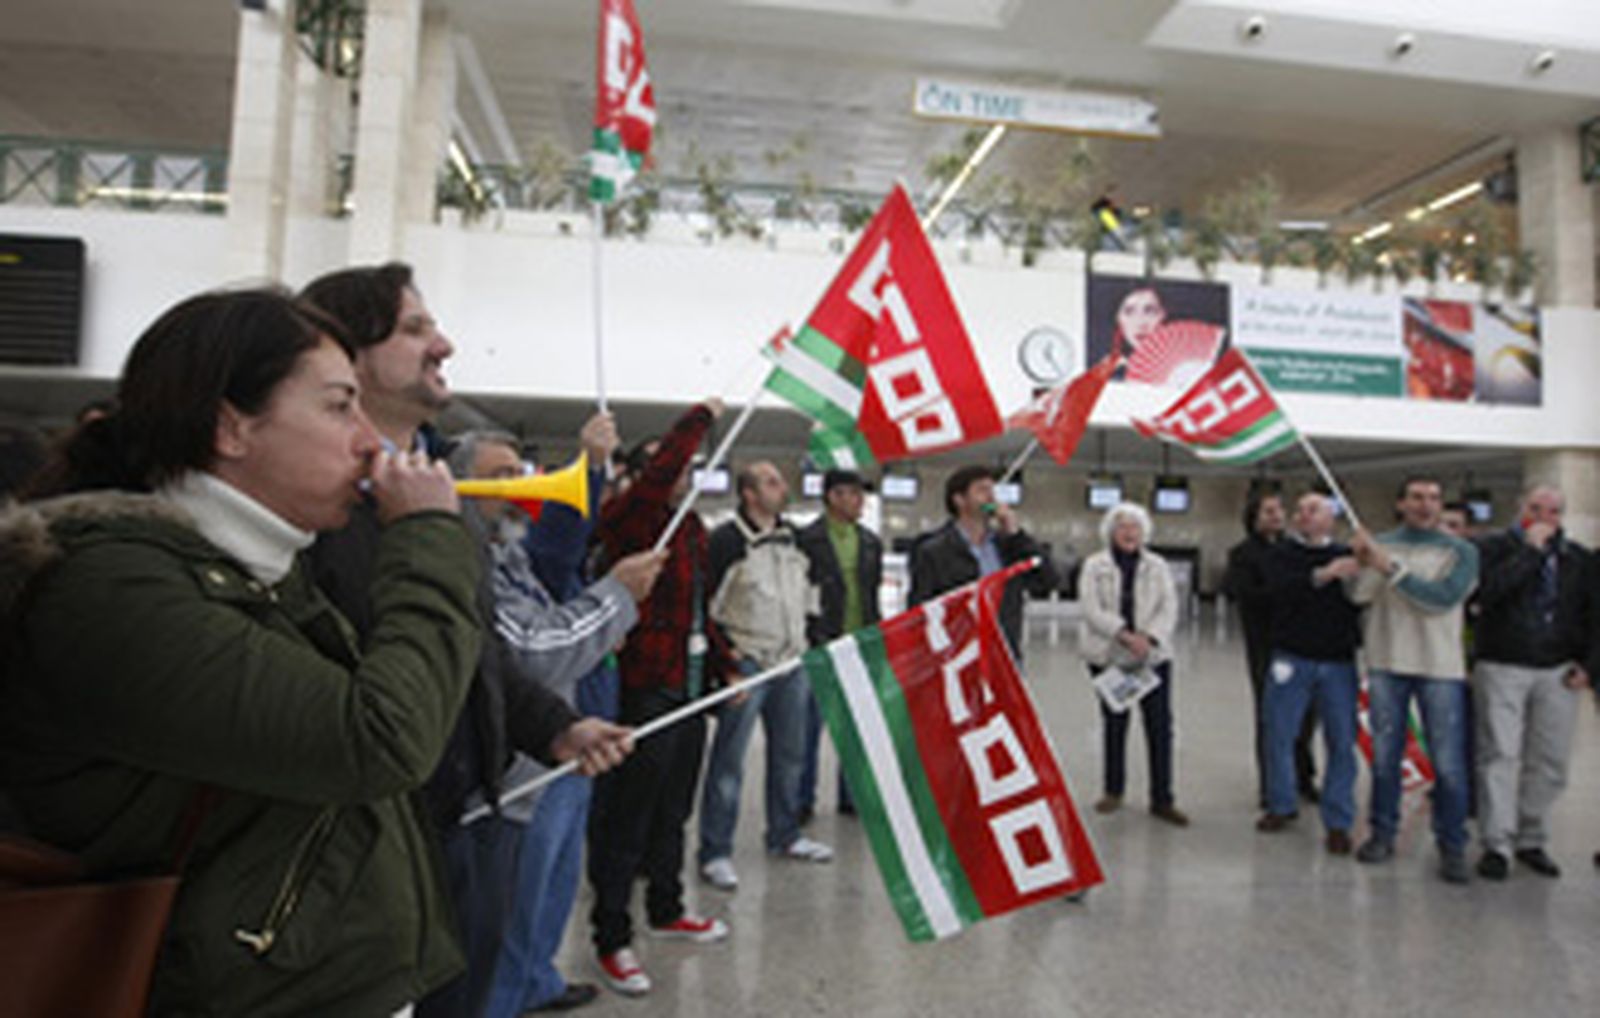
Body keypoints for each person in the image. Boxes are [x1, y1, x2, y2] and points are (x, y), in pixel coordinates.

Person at [1, 289, 484, 1015]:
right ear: (230, 426)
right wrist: (429, 540)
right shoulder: (109, 589)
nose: (368, 441)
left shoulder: (253, 567)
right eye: (336, 406)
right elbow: (379, 737)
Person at [300, 263, 638, 1018]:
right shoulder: (315, 510)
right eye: (414, 329)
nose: (443, 344)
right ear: (346, 359)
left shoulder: (437, 497)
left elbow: (473, 650)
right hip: (375, 838)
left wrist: (557, 727)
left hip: (469, 817)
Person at [452, 427, 646, 1018]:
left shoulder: (511, 553)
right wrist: (618, 596)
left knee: (546, 894)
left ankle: (533, 986)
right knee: (504, 920)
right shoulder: (471, 559)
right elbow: (534, 652)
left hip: (554, 744)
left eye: (521, 472)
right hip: (510, 774)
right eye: (501, 475)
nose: (521, 487)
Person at [587, 405, 740, 998]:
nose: (679, 475)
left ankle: (667, 908)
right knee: (627, 818)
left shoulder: (692, 528)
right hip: (642, 689)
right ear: (636, 474)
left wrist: (724, 669)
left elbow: (699, 610)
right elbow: (657, 477)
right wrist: (702, 416)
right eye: (667, 467)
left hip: (688, 690)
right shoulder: (630, 517)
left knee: (673, 810)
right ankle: (611, 936)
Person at [698, 460, 834, 894]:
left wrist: (810, 639)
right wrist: (727, 661)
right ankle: (715, 851)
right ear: (749, 494)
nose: (783, 487)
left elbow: (811, 592)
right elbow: (706, 606)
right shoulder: (726, 542)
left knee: (791, 755)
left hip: (792, 662)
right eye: (772, 482)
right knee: (729, 763)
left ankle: (785, 834)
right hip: (748, 663)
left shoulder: (795, 539)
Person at [1347, 475, 1479, 883]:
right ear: (1401, 503)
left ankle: (1452, 844)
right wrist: (1365, 562)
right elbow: (1360, 595)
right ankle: (1382, 834)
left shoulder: (1462, 551)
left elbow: (1439, 600)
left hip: (1440, 669)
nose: (1426, 505)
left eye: (1434, 498)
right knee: (1386, 759)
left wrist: (1389, 567)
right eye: (1418, 497)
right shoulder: (1382, 544)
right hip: (1387, 663)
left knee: (1449, 763)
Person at [1470, 485, 1594, 880]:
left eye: (1553, 511)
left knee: (1550, 759)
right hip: (1503, 663)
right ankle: (1497, 843)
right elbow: (1487, 595)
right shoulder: (1493, 549)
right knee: (1500, 755)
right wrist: (1530, 552)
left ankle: (1531, 837)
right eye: (1535, 509)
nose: (1544, 518)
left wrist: (1590, 664)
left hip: (1557, 669)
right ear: (1520, 509)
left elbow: (1592, 615)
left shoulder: (1578, 559)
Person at [1255, 494, 1362, 854]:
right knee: (1279, 734)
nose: (1303, 515)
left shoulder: (1350, 555)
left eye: (1313, 509)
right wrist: (1323, 574)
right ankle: (1281, 804)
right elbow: (1278, 590)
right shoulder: (1281, 555)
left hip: (1338, 661)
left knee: (1342, 741)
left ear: (1331, 519)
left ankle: (1338, 820)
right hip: (1291, 656)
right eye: (1299, 509)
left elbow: (1362, 598)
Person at [1079, 502, 1189, 827]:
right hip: (1110, 655)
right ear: (1111, 532)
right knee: (1115, 723)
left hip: (1152, 657)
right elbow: (1091, 608)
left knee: (1159, 726)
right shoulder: (1094, 565)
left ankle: (1162, 798)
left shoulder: (1157, 566)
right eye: (1123, 526)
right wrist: (1125, 635)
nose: (1129, 533)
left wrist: (1149, 638)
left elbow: (1169, 607)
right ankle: (1113, 790)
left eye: (1135, 527)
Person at [797, 468, 883, 821]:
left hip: (859, 644)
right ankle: (802, 799)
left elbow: (871, 594)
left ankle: (852, 796)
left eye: (862, 495)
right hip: (819, 644)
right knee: (808, 728)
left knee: (856, 729)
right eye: (853, 494)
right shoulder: (806, 540)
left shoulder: (870, 542)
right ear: (833, 497)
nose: (860, 501)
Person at [1223, 489, 1318, 809]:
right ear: (1253, 518)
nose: (1276, 516)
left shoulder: (1295, 550)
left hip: (1302, 642)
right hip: (1266, 645)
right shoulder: (1243, 555)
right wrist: (1291, 589)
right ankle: (1272, 786)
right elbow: (1248, 596)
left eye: (1279, 510)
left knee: (1306, 716)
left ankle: (1303, 777)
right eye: (1268, 511)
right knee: (1272, 717)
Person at [909, 465, 1056, 657]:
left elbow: (1048, 580)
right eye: (981, 490)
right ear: (959, 500)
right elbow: (920, 609)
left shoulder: (1008, 546)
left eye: (992, 490)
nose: (991, 497)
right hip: (958, 654)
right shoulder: (934, 551)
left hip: (1004, 653)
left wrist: (1016, 534)